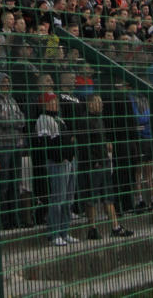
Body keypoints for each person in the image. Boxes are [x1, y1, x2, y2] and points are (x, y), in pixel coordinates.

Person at [78, 95, 133, 240]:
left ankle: (115, 226)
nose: (101, 106)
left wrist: (107, 143)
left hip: (104, 161)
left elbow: (101, 139)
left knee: (108, 195)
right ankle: (92, 228)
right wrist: (93, 161)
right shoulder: (85, 120)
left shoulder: (100, 120)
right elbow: (85, 144)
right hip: (94, 164)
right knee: (92, 197)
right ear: (90, 104)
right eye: (98, 103)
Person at [36, 92, 78, 246]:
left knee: (68, 198)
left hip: (69, 160)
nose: (56, 103)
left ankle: (64, 231)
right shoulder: (43, 119)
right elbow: (47, 143)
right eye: (52, 101)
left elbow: (68, 137)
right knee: (58, 198)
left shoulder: (59, 119)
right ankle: (54, 233)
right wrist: (61, 153)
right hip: (58, 161)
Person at [0, 72, 26, 229]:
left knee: (15, 182)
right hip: (3, 145)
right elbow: (0, 120)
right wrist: (15, 121)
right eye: (3, 83)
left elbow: (22, 119)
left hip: (16, 145)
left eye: (8, 83)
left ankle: (16, 219)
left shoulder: (13, 100)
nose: (6, 86)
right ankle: (4, 220)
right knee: (4, 183)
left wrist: (13, 121)